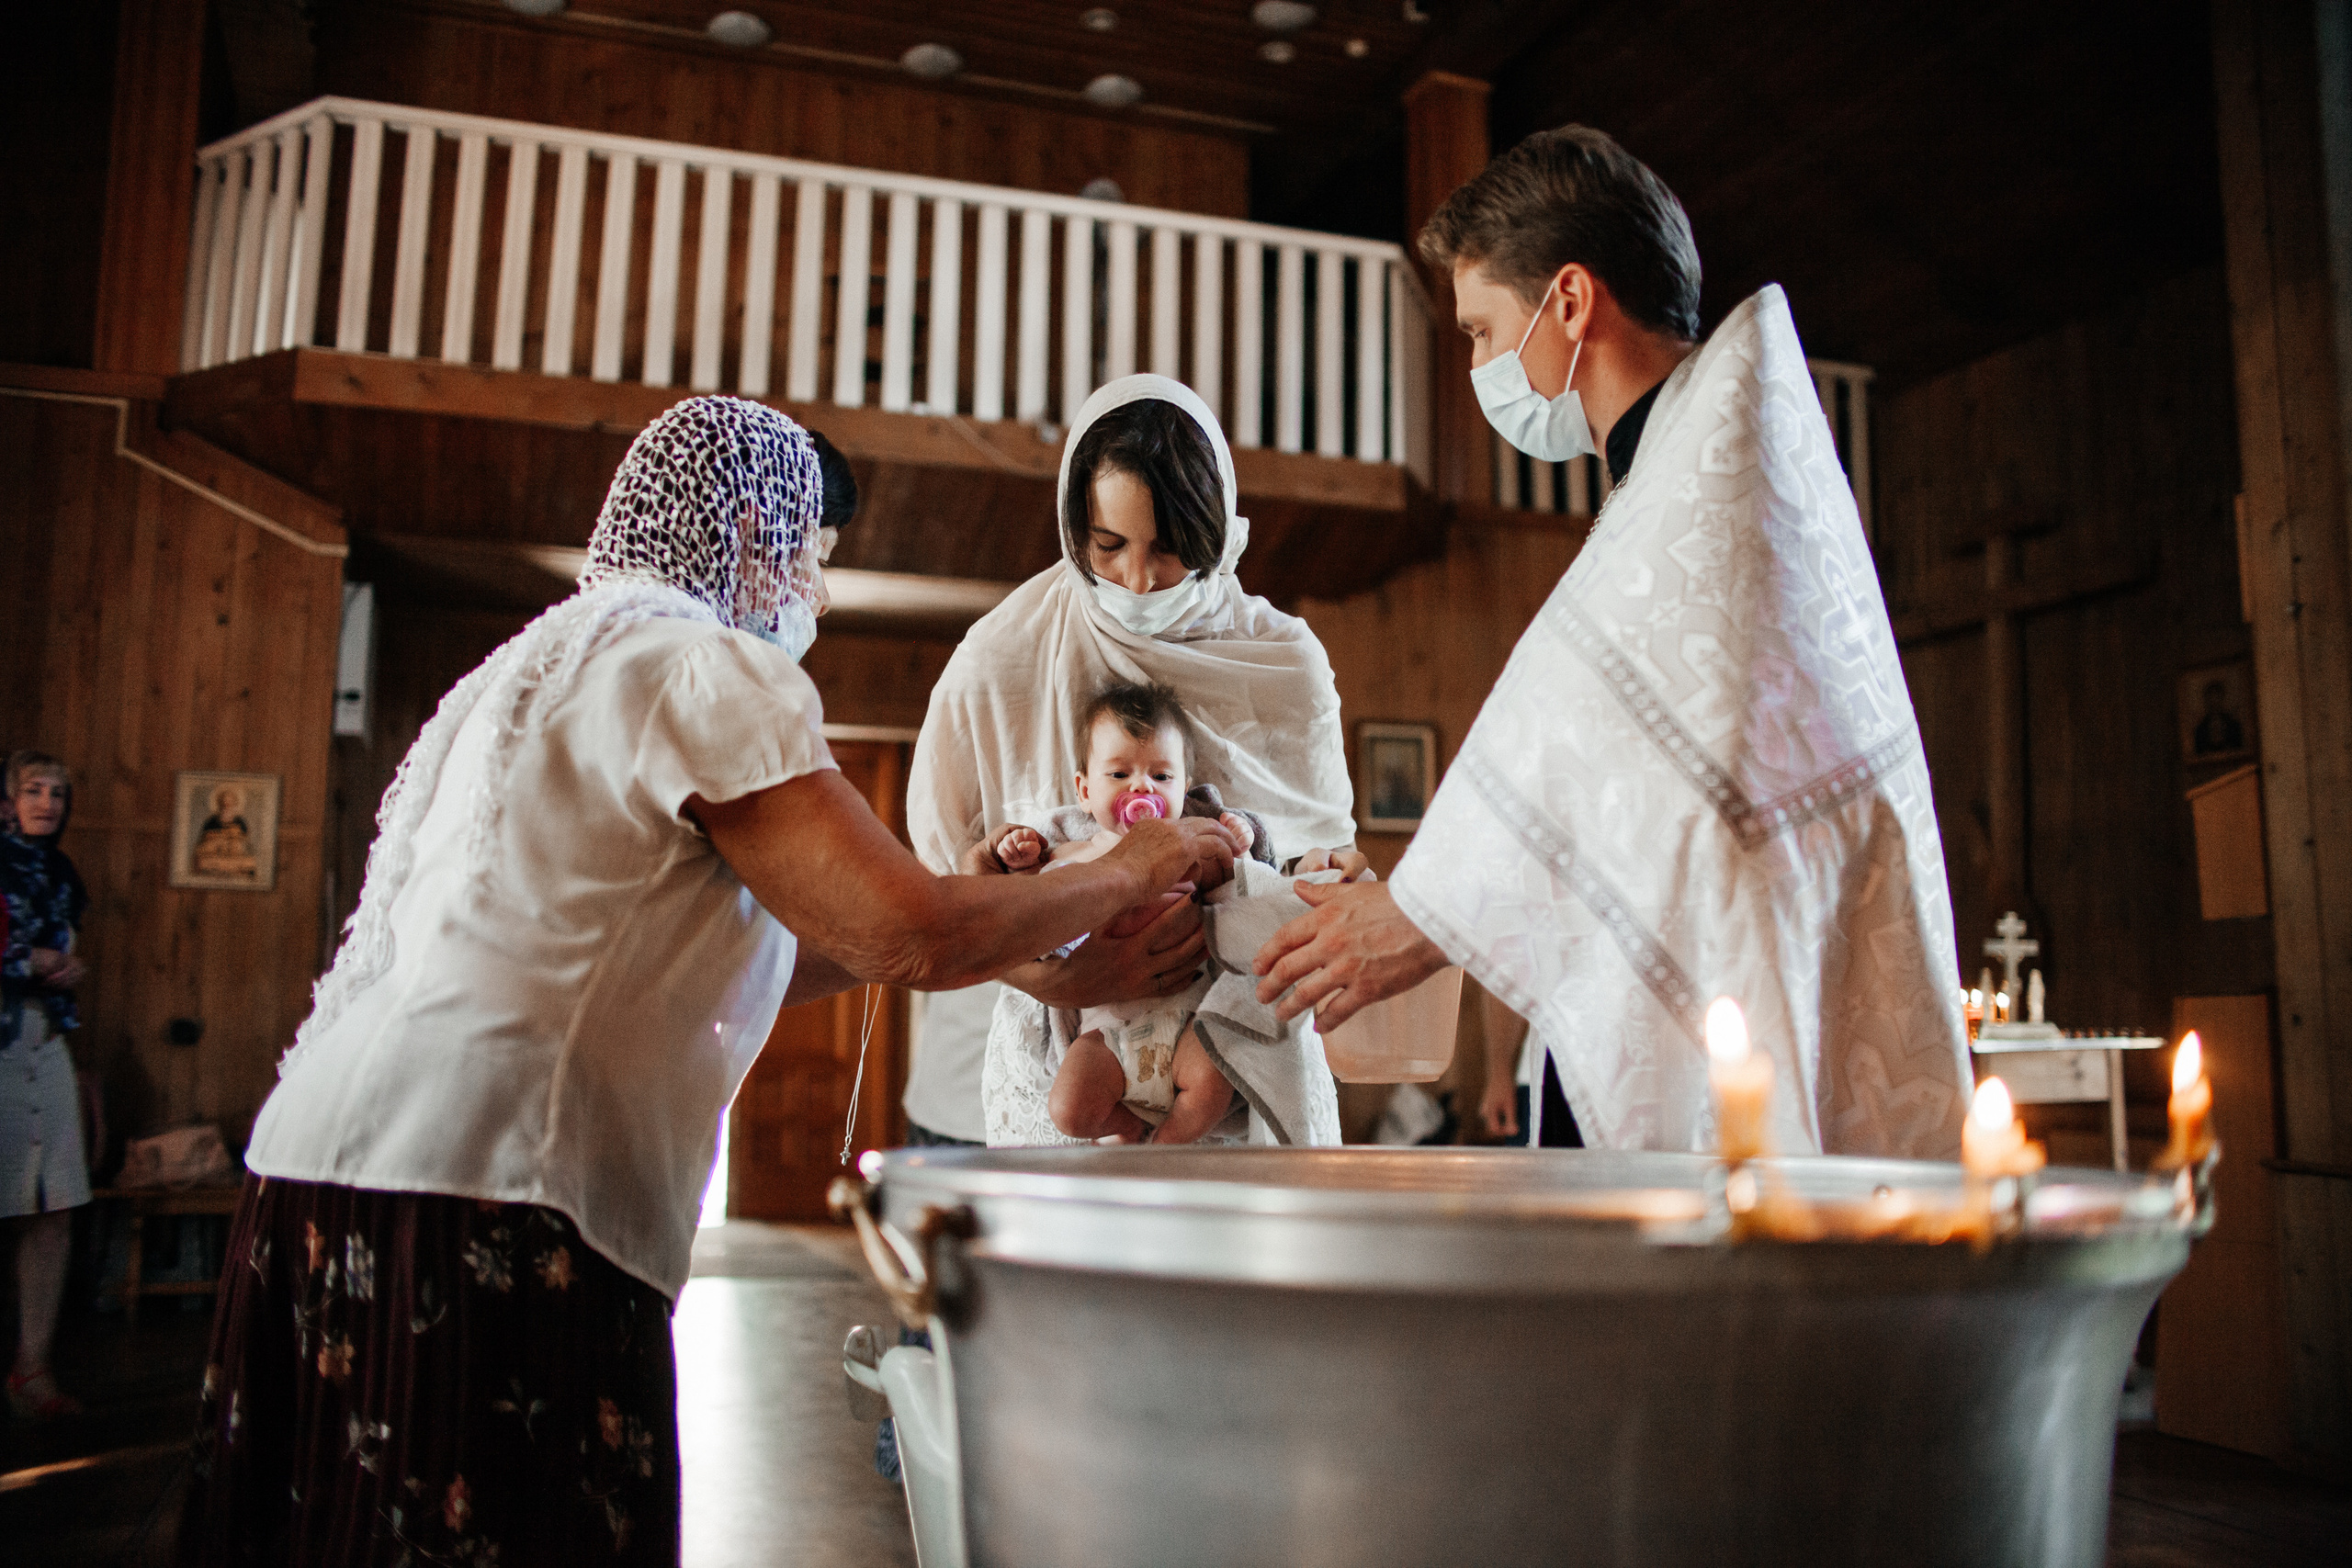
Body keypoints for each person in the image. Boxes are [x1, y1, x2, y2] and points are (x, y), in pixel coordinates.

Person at [182, 398, 1239, 1565]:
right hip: (490, 1188)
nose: (822, 599)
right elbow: (909, 932)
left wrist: (1013, 934)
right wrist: (1134, 863)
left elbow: (775, 946)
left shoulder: (539, 660)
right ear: (748, 535)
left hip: (316, 1183)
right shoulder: (701, 663)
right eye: (813, 560)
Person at [1255, 127, 1973, 1160]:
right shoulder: (1693, 477)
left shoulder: (1706, 496)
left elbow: (1636, 766)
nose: (1476, 363)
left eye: (1480, 328)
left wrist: (1418, 917)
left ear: (1571, 302)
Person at [907, 373, 1365, 1148]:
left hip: (1233, 1082)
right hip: (1039, 1071)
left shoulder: (1280, 662)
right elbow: (936, 897)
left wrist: (1328, 879)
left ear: (1218, 533)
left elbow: (1312, 867)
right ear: (1072, 529)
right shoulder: (1004, 658)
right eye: (1109, 546)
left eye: (1174, 547)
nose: (1140, 580)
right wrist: (1064, 978)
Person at [988, 682, 1264, 1145]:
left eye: (1161, 776)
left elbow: (1237, 896)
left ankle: (1167, 1147)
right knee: (1069, 1110)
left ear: (1185, 789)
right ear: (1083, 790)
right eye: (1119, 775)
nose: (1142, 787)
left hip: (1187, 1019)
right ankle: (1129, 1128)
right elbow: (1033, 914)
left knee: (1215, 1081)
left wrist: (1237, 839)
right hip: (1105, 1033)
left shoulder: (1190, 846)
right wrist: (1021, 860)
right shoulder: (1073, 855)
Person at [2, 749, 99, 1421]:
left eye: (58, 793)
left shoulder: (63, 873)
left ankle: (32, 1365)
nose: (47, 802)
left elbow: (60, 938)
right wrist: (22, 957)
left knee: (56, 1203)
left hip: (45, 1035)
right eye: (34, 790)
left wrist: (67, 966)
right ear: (9, 800)